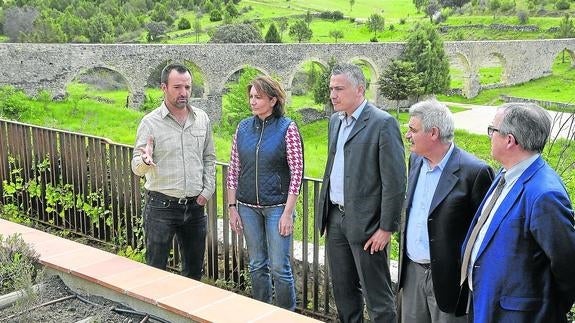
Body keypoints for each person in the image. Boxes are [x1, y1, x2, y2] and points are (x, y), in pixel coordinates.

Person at [459, 103, 575, 322]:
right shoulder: (507, 174)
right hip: (486, 305)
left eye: (492, 130)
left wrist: (544, 309)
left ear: (510, 140)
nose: (489, 136)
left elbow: (568, 266)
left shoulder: (544, 194)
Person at [315, 63, 406, 322]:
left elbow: (395, 182)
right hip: (335, 219)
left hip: (368, 226)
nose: (333, 94)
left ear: (360, 89)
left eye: (339, 88)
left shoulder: (383, 123)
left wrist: (386, 228)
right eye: (331, 88)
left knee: (377, 297)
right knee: (343, 292)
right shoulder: (335, 121)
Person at [397, 99, 494, 323]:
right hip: (412, 272)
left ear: (433, 133)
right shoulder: (415, 159)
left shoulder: (475, 172)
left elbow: (483, 236)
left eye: (413, 129)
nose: (408, 135)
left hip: (449, 282)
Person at [131, 63, 216, 280]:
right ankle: (155, 314)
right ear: (163, 87)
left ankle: (187, 313)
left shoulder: (202, 119)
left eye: (187, 87)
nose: (184, 93)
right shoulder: (150, 123)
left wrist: (207, 191)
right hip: (161, 206)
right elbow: (136, 167)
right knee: (155, 269)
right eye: (177, 87)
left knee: (194, 272)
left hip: (195, 207)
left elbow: (209, 157)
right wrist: (145, 161)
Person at [226, 75, 303, 311]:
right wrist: (232, 208)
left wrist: (288, 213)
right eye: (251, 96)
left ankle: (286, 316)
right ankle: (262, 313)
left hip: (277, 208)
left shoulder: (287, 128)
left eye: (258, 97)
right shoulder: (243, 128)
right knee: (257, 265)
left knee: (280, 268)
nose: (252, 101)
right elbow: (233, 168)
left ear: (272, 100)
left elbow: (296, 172)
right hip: (247, 207)